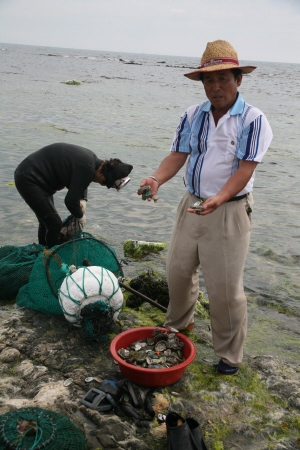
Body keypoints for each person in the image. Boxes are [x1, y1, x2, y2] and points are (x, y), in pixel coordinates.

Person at [138, 40, 273, 375]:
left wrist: (220, 197)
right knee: (178, 272)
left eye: (223, 78)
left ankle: (229, 355)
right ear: (202, 83)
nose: (216, 87)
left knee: (225, 287)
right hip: (191, 203)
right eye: (209, 80)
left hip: (229, 210)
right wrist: (156, 178)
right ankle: (179, 328)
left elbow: (245, 169)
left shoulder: (254, 120)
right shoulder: (192, 115)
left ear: (238, 79)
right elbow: (178, 155)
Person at [14, 142, 133, 248]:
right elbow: (70, 201)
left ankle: (43, 252)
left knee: (47, 222)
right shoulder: (88, 168)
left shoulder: (91, 160)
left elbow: (81, 181)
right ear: (102, 175)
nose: (98, 183)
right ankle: (52, 259)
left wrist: (83, 199)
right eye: (102, 183)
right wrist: (80, 217)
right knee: (54, 223)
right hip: (29, 179)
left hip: (33, 177)